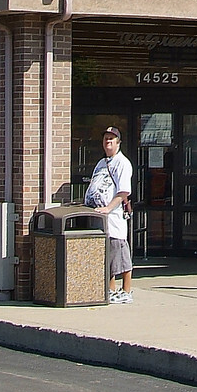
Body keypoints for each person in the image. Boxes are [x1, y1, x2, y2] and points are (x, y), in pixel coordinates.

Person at [85, 126, 135, 303]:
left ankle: (126, 291)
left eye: (112, 139)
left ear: (118, 143)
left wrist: (108, 208)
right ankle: (110, 290)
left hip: (114, 219)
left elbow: (123, 192)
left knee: (120, 255)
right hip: (99, 219)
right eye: (106, 139)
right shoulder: (101, 163)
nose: (108, 142)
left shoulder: (122, 163)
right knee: (107, 258)